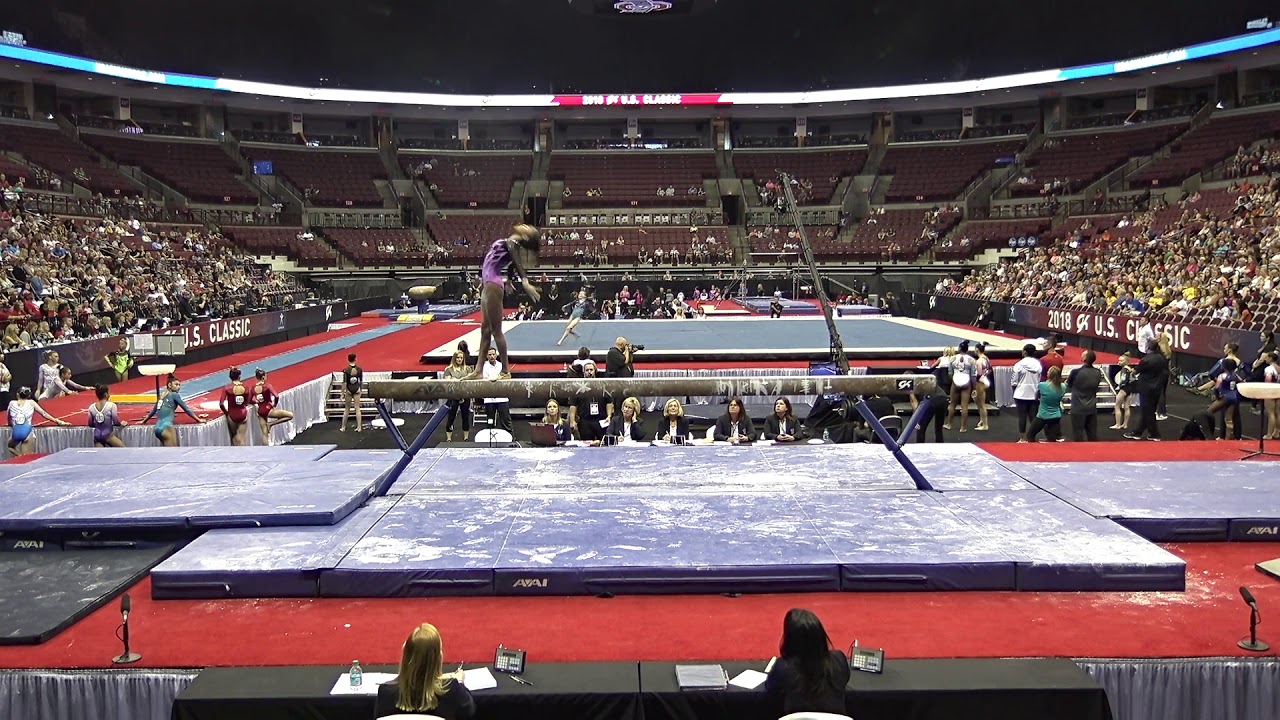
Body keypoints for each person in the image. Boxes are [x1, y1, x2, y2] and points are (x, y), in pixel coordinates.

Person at [465, 224, 542, 379]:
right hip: (489, 284)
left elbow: (516, 261)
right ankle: (478, 371)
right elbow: (513, 263)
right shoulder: (511, 244)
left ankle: (506, 370)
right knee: (485, 331)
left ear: (526, 236)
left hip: (493, 284)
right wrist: (509, 280)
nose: (524, 225)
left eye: (528, 228)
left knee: (496, 331)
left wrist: (524, 281)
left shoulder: (512, 243)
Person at [374, 623, 475, 720]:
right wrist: (460, 682)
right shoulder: (451, 689)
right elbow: (469, 712)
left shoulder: (385, 692)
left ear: (405, 656)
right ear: (438, 658)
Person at [764, 608, 851, 717]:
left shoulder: (783, 667)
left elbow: (770, 687)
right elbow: (844, 680)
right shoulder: (839, 659)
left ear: (790, 639)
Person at [143, 374, 207, 447]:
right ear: (169, 385)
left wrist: (144, 421)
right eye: (176, 385)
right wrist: (198, 419)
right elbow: (186, 409)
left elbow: (153, 411)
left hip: (157, 428)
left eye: (179, 385)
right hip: (167, 427)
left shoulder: (162, 395)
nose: (178, 387)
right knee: (173, 454)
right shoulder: (174, 395)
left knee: (167, 454)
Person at [7, 386, 70, 456]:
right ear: (29, 395)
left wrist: (10, 424)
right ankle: (22, 457)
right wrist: (58, 421)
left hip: (16, 432)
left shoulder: (11, 403)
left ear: (17, 394)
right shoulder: (31, 402)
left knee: (10, 446)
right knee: (26, 458)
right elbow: (44, 413)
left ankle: (19, 455)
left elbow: (8, 416)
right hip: (27, 432)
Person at [1126, 348, 1169, 441]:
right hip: (1157, 388)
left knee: (1147, 412)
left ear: (1147, 348)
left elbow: (1135, 371)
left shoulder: (1146, 360)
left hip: (1146, 389)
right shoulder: (1161, 358)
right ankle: (1137, 432)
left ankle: (1155, 434)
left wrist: (1130, 370)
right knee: (1149, 411)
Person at [568, 361, 610, 443]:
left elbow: (609, 402)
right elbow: (573, 405)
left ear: (595, 371)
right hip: (585, 421)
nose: (589, 372)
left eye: (591, 369)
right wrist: (572, 420)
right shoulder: (578, 387)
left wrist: (609, 416)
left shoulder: (603, 385)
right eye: (587, 370)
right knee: (586, 444)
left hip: (600, 420)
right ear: (584, 372)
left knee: (603, 442)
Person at [1011, 343, 1043, 443]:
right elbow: (1039, 378)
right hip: (1033, 394)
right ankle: (1032, 437)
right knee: (1033, 417)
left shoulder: (1019, 365)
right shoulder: (1038, 364)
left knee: (1022, 417)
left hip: (1020, 394)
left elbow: (1014, 382)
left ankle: (1022, 438)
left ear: (1024, 352)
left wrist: (1015, 391)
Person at [251, 368, 293, 444]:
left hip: (260, 411)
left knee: (264, 433)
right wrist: (274, 404)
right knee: (290, 415)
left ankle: (266, 450)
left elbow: (249, 400)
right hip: (268, 410)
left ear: (256, 378)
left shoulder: (253, 388)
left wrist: (257, 402)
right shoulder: (267, 386)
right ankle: (271, 424)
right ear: (264, 377)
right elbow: (276, 396)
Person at [1068, 350, 1102, 441]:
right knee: (1092, 435)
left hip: (1078, 407)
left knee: (1078, 434)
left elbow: (1069, 384)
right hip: (1091, 407)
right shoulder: (1097, 372)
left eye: (1082, 354)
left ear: (1084, 358)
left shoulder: (1075, 372)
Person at [1027, 365, 1066, 442]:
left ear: (1049, 375)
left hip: (1043, 415)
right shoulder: (1063, 386)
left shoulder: (1042, 385)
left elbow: (1036, 397)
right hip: (1056, 416)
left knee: (1030, 435)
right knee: (1052, 439)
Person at [442, 349, 472, 442]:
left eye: (461, 358)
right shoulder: (448, 369)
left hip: (465, 395)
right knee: (451, 416)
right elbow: (447, 382)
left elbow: (470, 381)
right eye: (458, 358)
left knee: (465, 416)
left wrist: (458, 379)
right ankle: (449, 438)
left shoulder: (467, 369)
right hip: (453, 396)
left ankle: (466, 437)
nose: (459, 359)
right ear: (454, 358)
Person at [480, 348, 512, 433]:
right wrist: (498, 377)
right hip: (489, 399)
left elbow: (508, 376)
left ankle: (511, 439)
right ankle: (490, 442)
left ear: (496, 355)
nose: (492, 356)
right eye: (489, 355)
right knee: (490, 421)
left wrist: (499, 377)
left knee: (506, 420)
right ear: (487, 356)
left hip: (502, 398)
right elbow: (486, 379)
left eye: (493, 354)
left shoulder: (501, 365)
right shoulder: (483, 367)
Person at [219, 367, 251, 446]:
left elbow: (221, 404)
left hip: (232, 414)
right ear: (239, 376)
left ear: (230, 377)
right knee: (242, 437)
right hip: (243, 413)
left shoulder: (227, 388)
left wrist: (226, 413)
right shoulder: (246, 388)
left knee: (234, 436)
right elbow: (248, 401)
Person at [1110, 353, 1136, 430]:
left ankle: (1118, 424)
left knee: (1117, 406)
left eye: (1121, 361)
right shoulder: (1129, 369)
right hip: (1129, 389)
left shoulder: (1124, 369)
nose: (1119, 362)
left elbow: (1124, 380)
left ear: (1126, 361)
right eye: (1119, 360)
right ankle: (1125, 424)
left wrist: (1120, 386)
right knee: (1127, 407)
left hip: (1124, 389)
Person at [972, 342, 992, 431]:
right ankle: (981, 420)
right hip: (985, 380)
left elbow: (979, 374)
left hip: (980, 382)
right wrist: (985, 375)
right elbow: (990, 369)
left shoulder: (979, 361)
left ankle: (985, 425)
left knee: (981, 404)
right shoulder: (986, 358)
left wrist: (974, 383)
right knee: (977, 402)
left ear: (977, 350)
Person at [341, 352, 363, 433]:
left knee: (347, 409)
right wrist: (361, 389)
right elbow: (361, 381)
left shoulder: (346, 370)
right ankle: (359, 427)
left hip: (349, 390)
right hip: (357, 389)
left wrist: (342, 393)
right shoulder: (359, 369)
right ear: (355, 359)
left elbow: (344, 383)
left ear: (348, 360)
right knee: (357, 408)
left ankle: (343, 427)